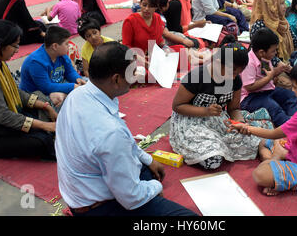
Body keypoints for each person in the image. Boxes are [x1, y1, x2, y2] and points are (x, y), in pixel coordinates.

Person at [54, 41, 198, 216]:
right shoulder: (111, 132)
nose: (135, 76)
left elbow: (125, 145)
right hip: (98, 207)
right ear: (116, 79)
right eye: (132, 72)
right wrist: (155, 188)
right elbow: (131, 198)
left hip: (81, 190)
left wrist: (147, 158)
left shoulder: (78, 95)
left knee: (147, 169)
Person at [227, 58, 297, 196]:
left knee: (259, 174)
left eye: (295, 87)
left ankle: (278, 167)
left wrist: (277, 155)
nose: (292, 90)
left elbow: (274, 133)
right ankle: (277, 171)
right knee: (263, 144)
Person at [0, 20, 57, 160]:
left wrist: (46, 106)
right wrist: (45, 126)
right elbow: (3, 115)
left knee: (41, 100)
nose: (17, 50)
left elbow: (16, 93)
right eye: (14, 46)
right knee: (42, 142)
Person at [170, 37, 264, 170]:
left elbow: (234, 108)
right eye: (232, 71)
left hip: (217, 120)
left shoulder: (235, 79)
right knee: (213, 160)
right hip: (191, 121)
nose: (234, 76)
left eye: (239, 72)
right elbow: (177, 106)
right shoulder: (197, 77)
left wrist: (239, 122)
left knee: (254, 140)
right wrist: (205, 111)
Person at [240, 28, 297, 127]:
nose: (275, 53)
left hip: (266, 91)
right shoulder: (249, 62)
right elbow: (249, 87)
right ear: (261, 52)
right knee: (273, 107)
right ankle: (289, 128)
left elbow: (266, 74)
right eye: (273, 51)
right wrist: (270, 77)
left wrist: (279, 70)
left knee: (289, 96)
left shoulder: (264, 58)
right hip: (250, 98)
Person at [19, 26, 86, 108]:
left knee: (86, 82)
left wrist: (77, 79)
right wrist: (72, 86)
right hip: (37, 94)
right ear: (55, 46)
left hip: (54, 85)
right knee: (61, 101)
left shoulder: (61, 54)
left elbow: (70, 72)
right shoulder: (36, 62)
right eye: (66, 44)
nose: (69, 47)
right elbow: (46, 87)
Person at [121, 0, 171, 69]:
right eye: (144, 5)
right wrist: (143, 61)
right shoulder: (130, 21)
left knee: (180, 50)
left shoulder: (157, 18)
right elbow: (126, 46)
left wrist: (166, 48)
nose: (147, 9)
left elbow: (159, 40)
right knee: (144, 73)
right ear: (140, 4)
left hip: (152, 57)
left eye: (151, 6)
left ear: (155, 7)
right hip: (136, 58)